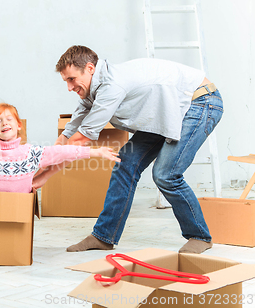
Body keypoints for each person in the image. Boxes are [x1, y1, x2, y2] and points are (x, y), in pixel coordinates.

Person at [33, 45, 223, 254]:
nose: (69, 87)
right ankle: (104, 236)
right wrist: (35, 168)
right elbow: (67, 135)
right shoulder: (90, 91)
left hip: (200, 103)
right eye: (66, 81)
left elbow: (80, 141)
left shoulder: (111, 86)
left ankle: (199, 236)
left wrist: (44, 178)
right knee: (125, 163)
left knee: (166, 174)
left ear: (89, 68)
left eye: (71, 79)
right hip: (167, 111)